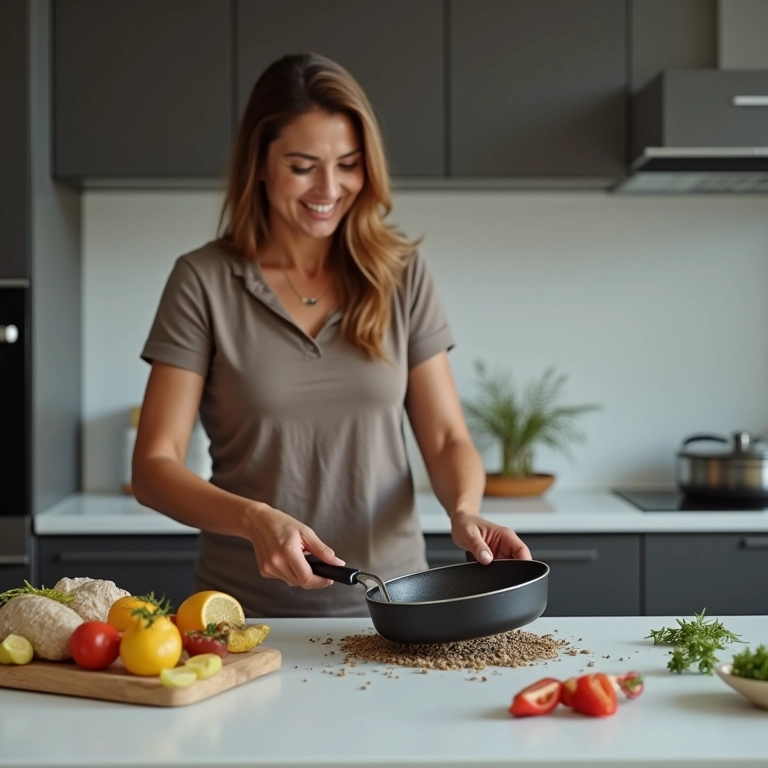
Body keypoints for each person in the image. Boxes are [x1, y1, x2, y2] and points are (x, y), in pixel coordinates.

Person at [132, 52, 531, 619]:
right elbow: (154, 465)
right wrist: (253, 518)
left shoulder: (400, 274)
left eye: (348, 163)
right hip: (244, 614)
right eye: (302, 166)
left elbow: (445, 439)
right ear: (261, 165)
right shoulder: (203, 280)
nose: (329, 187)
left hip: (393, 607)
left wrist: (465, 511)